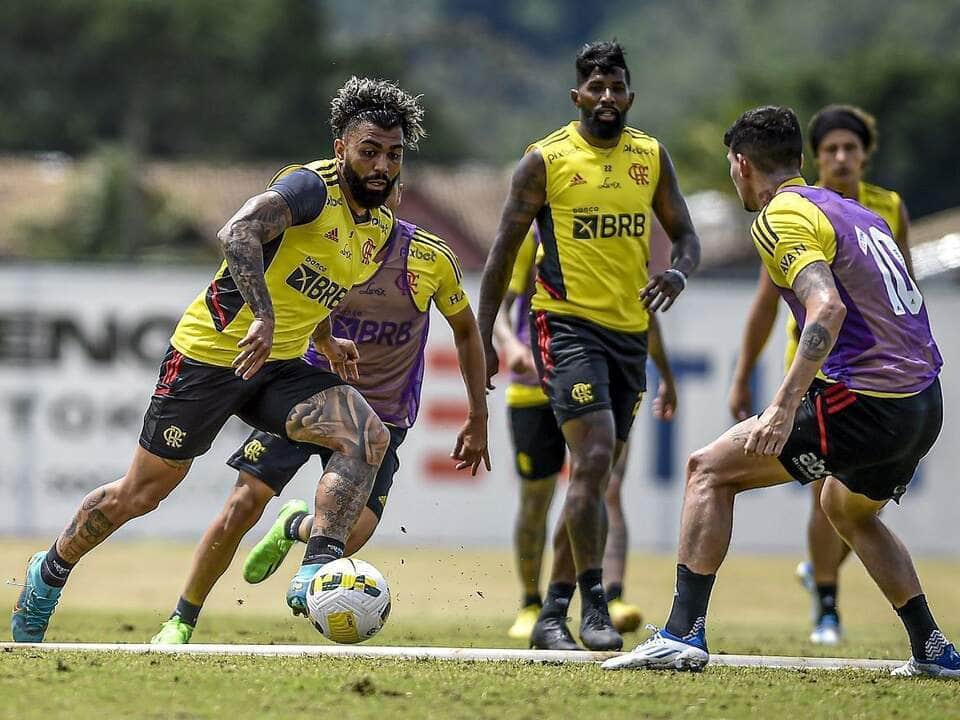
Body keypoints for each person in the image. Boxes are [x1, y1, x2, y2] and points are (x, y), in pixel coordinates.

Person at [11, 77, 456, 643]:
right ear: (341, 147)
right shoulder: (308, 189)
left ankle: (318, 567)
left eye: (393, 155)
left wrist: (322, 339)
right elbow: (239, 232)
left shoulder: (378, 228)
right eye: (369, 151)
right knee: (141, 494)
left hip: (280, 364)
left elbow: (307, 283)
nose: (382, 167)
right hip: (210, 356)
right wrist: (265, 319)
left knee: (365, 436)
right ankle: (49, 572)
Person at [604, 106, 958, 679]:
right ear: (800, 159)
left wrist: (784, 402)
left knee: (707, 471)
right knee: (845, 509)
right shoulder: (857, 212)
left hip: (868, 401)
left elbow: (828, 307)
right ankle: (934, 650)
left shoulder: (779, 215)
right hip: (924, 401)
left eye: (730, 168)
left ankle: (681, 635)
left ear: (742, 165)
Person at [149, 182, 489, 643]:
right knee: (242, 505)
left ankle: (297, 526)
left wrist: (478, 414)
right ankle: (182, 618)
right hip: (304, 390)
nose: (375, 192)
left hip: (382, 413)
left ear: (397, 193)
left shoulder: (429, 257)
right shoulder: (326, 242)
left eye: (388, 179)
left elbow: (466, 332)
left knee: (352, 532)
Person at [477, 41, 700, 651]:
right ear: (577, 96)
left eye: (616, 88)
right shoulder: (544, 161)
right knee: (594, 458)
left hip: (628, 333)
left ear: (629, 96)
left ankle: (552, 615)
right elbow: (501, 254)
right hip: (564, 325)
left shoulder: (651, 157)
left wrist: (679, 271)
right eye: (594, 88)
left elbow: (686, 237)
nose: (606, 98)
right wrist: (484, 336)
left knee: (593, 480)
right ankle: (593, 606)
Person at [727, 105, 915, 645]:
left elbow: (896, 284)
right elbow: (769, 301)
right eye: (830, 148)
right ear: (812, 158)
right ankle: (828, 607)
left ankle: (824, 577)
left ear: (864, 155)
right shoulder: (792, 213)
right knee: (828, 495)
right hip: (819, 369)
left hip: (874, 374)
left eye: (849, 149)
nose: (840, 157)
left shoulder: (884, 207)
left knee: (850, 505)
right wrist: (746, 374)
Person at [498, 230, 678, 642]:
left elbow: (642, 308)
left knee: (603, 485)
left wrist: (664, 373)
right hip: (534, 385)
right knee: (537, 499)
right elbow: (503, 309)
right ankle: (531, 602)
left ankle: (607, 594)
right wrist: (510, 345)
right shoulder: (530, 232)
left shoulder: (617, 223)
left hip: (600, 374)